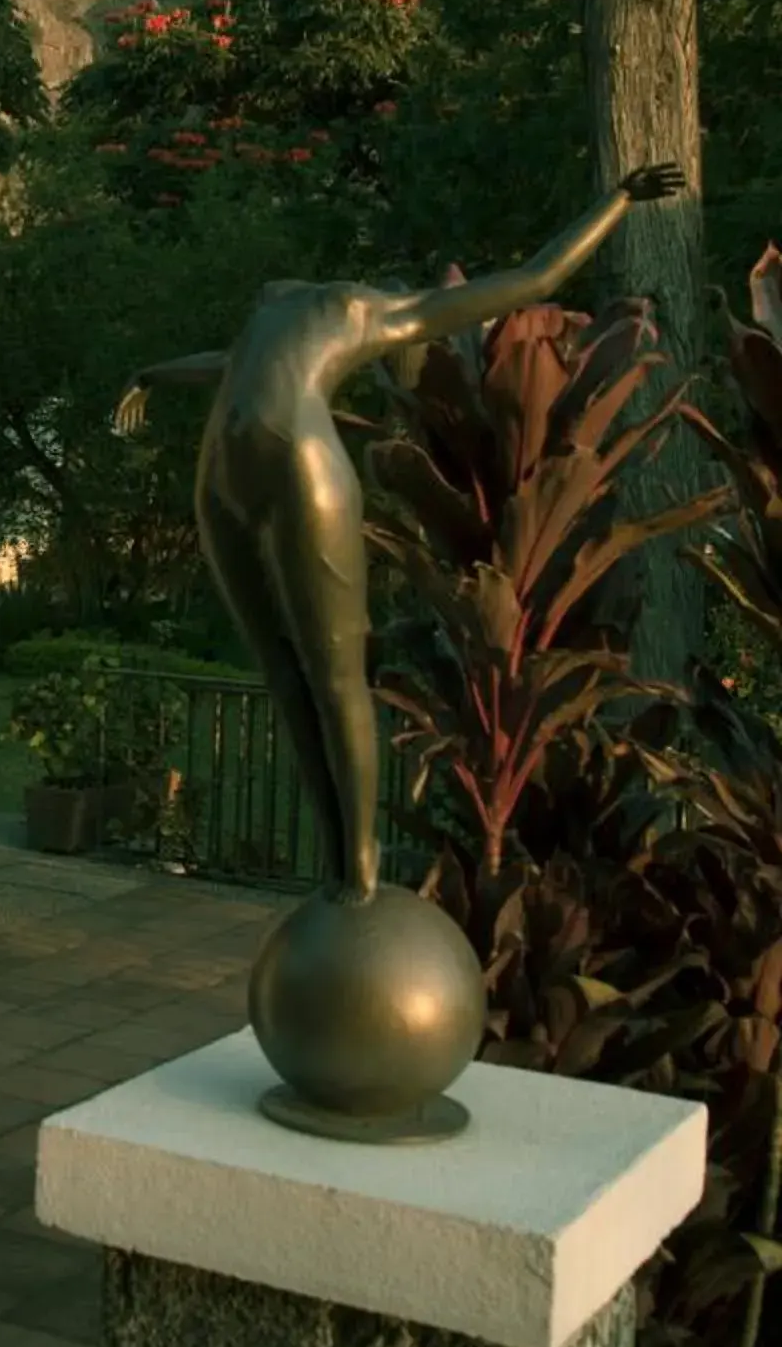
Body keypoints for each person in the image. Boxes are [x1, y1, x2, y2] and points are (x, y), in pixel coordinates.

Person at [115, 163, 686, 902]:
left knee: (332, 674)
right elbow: (228, 367)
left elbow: (534, 279)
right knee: (284, 678)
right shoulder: (270, 315)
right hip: (221, 476)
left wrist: (616, 201)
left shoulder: (366, 313)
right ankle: (334, 867)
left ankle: (359, 871)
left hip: (298, 467)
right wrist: (151, 373)